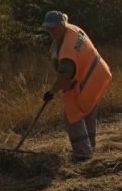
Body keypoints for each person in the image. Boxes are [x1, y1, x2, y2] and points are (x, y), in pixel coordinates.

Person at [42, 11, 112, 162]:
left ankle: (82, 154)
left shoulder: (68, 49)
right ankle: (89, 149)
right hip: (96, 75)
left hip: (86, 81)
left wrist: (51, 92)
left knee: (72, 118)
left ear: (62, 25)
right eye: (48, 28)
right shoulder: (72, 29)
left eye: (53, 28)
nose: (50, 31)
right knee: (87, 113)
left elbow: (64, 77)